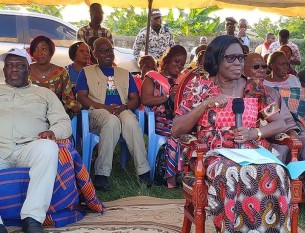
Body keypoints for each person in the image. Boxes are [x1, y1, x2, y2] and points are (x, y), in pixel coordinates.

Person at [172, 35, 292, 232]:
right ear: (216, 59)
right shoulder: (200, 88)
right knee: (230, 173)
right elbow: (177, 129)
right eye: (231, 58)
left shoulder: (254, 88)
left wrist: (255, 133)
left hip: (250, 150)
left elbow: (280, 123)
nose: (238, 63)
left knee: (276, 170)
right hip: (212, 153)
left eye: (241, 58)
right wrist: (204, 105)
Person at [0, 48, 71, 233]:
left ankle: (33, 218)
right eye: (9, 65)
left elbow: (63, 122)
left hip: (30, 147)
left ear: (29, 69)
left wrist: (52, 132)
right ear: (3, 70)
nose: (14, 69)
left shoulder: (44, 94)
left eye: (20, 65)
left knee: (49, 149)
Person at [244, 52, 305, 228]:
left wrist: (294, 137)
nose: (261, 70)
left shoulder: (270, 93)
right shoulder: (240, 92)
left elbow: (287, 123)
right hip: (256, 141)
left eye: (263, 67)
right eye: (256, 67)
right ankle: (271, 205)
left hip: (281, 135)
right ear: (243, 69)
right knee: (280, 149)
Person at [75, 38, 151, 191]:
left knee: (131, 121)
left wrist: (124, 107)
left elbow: (135, 98)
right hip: (98, 111)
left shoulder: (124, 73)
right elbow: (81, 97)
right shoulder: (86, 72)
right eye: (103, 51)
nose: (108, 53)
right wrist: (104, 107)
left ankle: (143, 172)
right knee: (111, 121)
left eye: (109, 50)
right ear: (95, 53)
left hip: (122, 109)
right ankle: (101, 175)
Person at [141, 45, 187, 188]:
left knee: (193, 134)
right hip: (158, 121)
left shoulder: (184, 80)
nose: (179, 66)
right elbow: (146, 100)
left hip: (179, 119)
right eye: (176, 61)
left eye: (182, 63)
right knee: (175, 134)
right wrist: (168, 97)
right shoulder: (152, 77)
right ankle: (170, 180)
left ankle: (186, 176)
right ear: (166, 60)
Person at [29, 36, 81, 118]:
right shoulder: (25, 71)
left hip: (55, 114)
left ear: (51, 51)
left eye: (44, 49)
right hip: (30, 114)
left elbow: (68, 98)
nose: (39, 53)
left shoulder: (61, 72)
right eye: (35, 50)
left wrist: (60, 111)